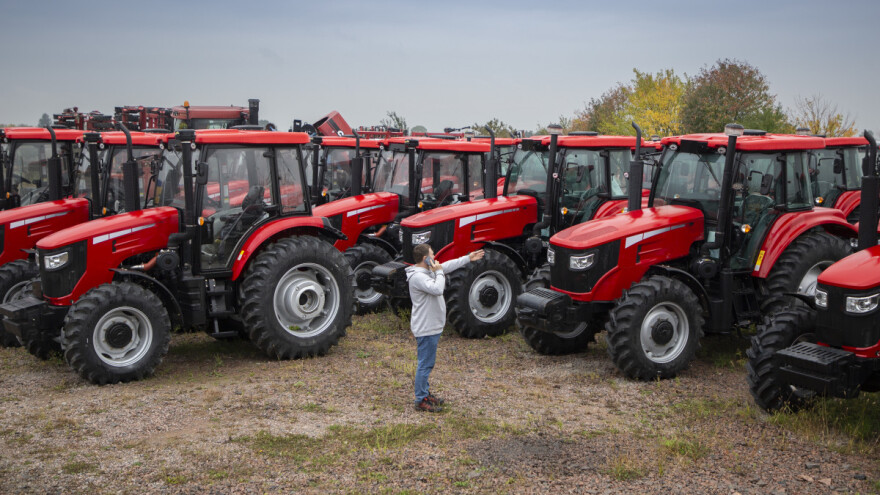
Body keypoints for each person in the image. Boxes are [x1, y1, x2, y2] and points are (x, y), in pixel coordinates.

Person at [405, 244, 484, 412]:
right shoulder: (418, 277)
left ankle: (424, 393)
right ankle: (420, 399)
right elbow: (437, 289)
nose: (435, 257)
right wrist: (439, 271)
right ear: (426, 258)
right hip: (426, 327)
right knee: (425, 364)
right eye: (432, 254)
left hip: (431, 326)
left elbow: (446, 266)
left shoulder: (426, 272)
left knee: (427, 363)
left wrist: (468, 258)